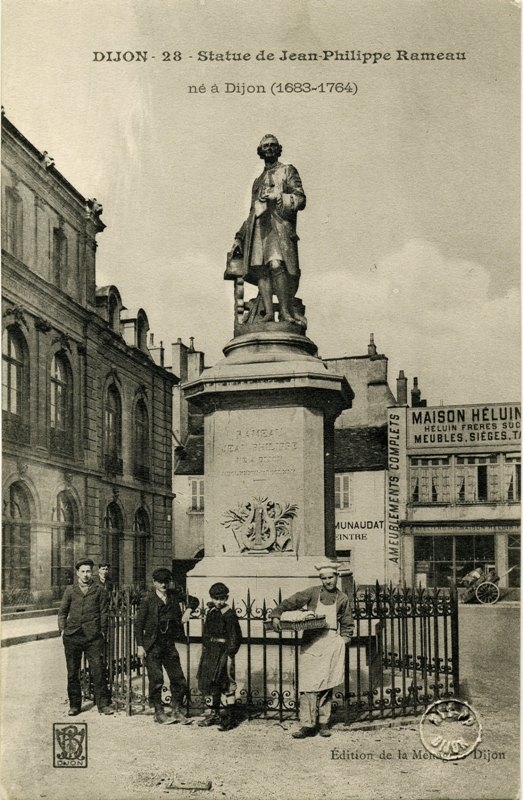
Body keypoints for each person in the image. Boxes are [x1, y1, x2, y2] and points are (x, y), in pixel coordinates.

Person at [271, 561, 353, 738]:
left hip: (331, 642)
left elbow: (347, 623)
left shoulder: (343, 598)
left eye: (331, 577)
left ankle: (324, 723)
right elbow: (290, 602)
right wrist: (277, 615)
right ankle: (307, 725)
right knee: (308, 685)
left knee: (326, 684)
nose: (328, 581)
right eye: (324, 578)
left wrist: (343, 640)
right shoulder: (312, 593)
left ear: (336, 577)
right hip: (311, 641)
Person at [232, 134, 306, 325]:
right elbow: (251, 212)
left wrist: (278, 196)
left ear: (278, 149)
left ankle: (285, 312)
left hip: (278, 228)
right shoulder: (258, 181)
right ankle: (267, 313)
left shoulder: (287, 170)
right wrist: (239, 237)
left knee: (276, 265)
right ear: (261, 151)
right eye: (265, 146)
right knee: (260, 270)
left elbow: (300, 199)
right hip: (258, 229)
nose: (269, 149)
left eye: (273, 145)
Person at [135, 568, 199, 724]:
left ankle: (176, 710)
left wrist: (188, 611)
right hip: (153, 645)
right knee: (156, 679)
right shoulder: (147, 600)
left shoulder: (174, 595)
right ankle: (159, 712)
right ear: (154, 582)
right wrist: (140, 646)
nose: (164, 584)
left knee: (178, 679)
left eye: (166, 581)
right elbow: (138, 625)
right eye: (160, 582)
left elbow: (194, 600)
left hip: (169, 644)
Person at [58, 558, 114, 716]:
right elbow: (62, 612)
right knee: (72, 672)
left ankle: (102, 704)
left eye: (88, 571)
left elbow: (104, 612)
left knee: (97, 670)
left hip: (92, 637)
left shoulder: (99, 590)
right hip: (72, 636)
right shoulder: (70, 590)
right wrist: (62, 630)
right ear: (77, 573)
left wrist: (102, 631)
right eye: (82, 571)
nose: (85, 574)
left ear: (92, 572)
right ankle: (75, 705)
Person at [197, 583, 243, 732]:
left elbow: (236, 636)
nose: (218, 602)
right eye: (216, 599)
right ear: (211, 598)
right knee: (212, 682)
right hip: (211, 652)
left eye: (222, 599)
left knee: (226, 682)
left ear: (226, 598)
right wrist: (206, 645)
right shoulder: (211, 612)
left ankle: (230, 718)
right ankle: (214, 714)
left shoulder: (229, 614)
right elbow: (206, 632)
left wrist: (230, 653)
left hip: (224, 653)